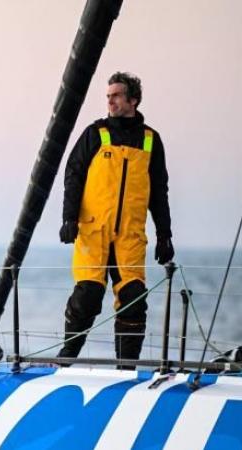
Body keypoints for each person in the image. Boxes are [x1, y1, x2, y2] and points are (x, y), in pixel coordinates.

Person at [58, 72, 174, 367]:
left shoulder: (151, 140)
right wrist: (69, 217)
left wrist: (164, 235)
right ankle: (65, 359)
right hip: (93, 230)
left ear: (133, 100)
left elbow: (159, 190)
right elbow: (73, 175)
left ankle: (126, 369)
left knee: (134, 298)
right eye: (108, 95)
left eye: (117, 95)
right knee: (88, 296)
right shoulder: (95, 134)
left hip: (130, 237)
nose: (110, 100)